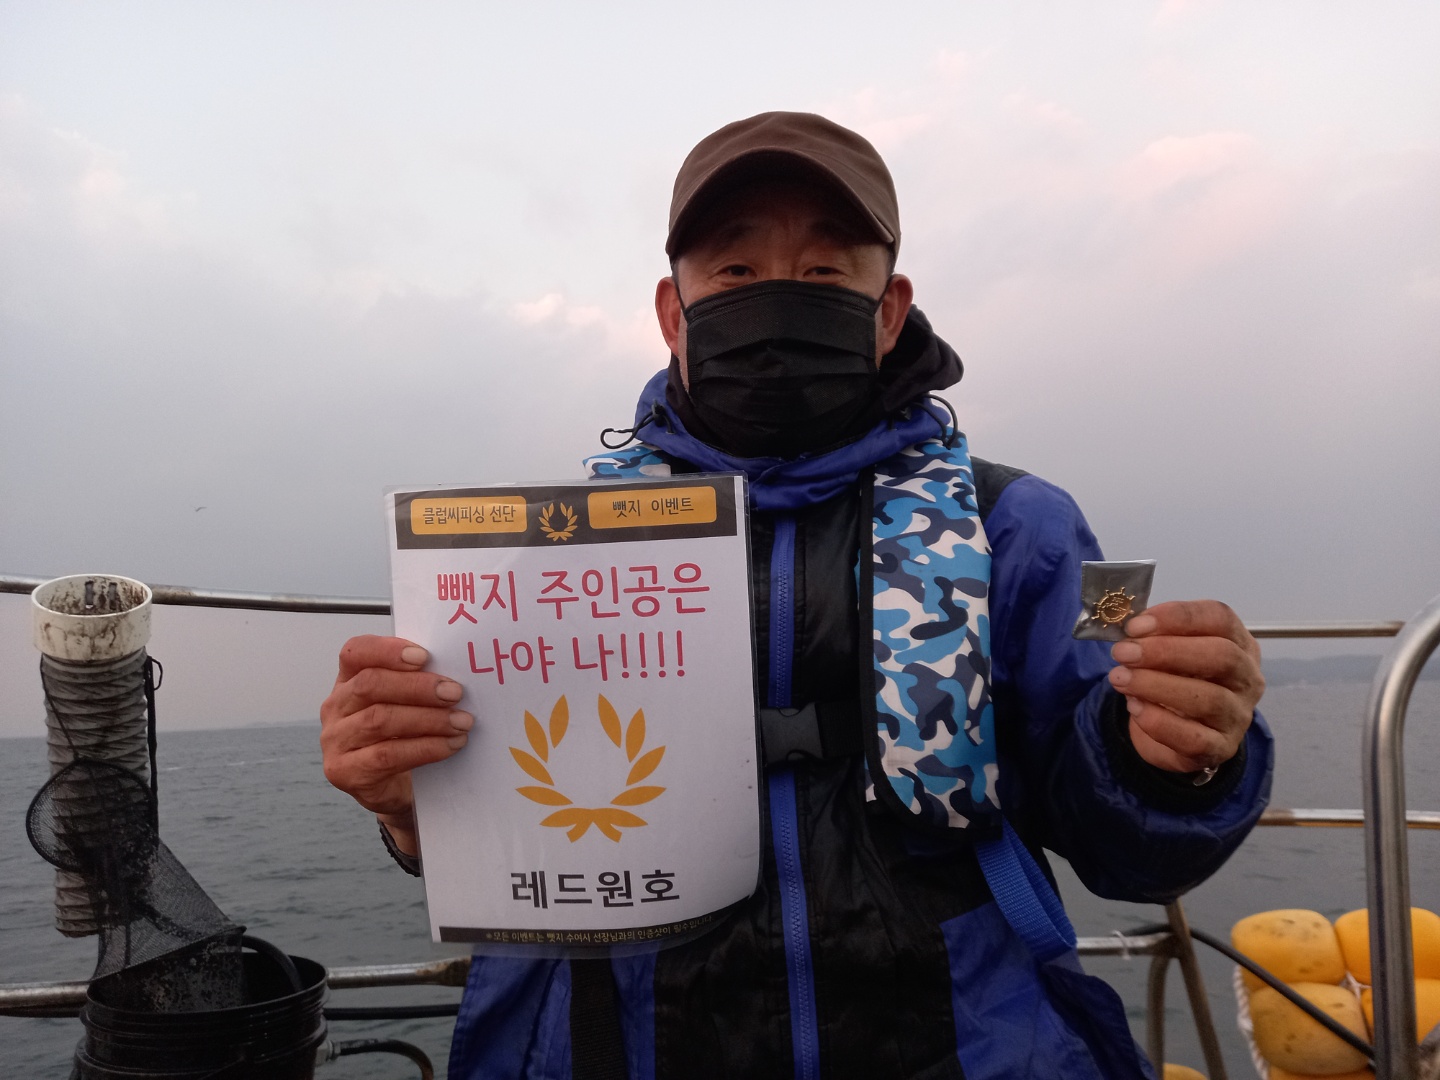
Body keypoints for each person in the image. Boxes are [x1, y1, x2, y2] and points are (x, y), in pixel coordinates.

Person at [320, 112, 1272, 1079]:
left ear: (889, 310)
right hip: (626, 1033)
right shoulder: (552, 551)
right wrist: (409, 805)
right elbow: (508, 823)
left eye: (823, 272)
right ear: (672, 313)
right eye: (735, 271)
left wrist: (1174, 758)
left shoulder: (1021, 524)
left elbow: (1126, 850)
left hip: (966, 1035)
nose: (777, 301)